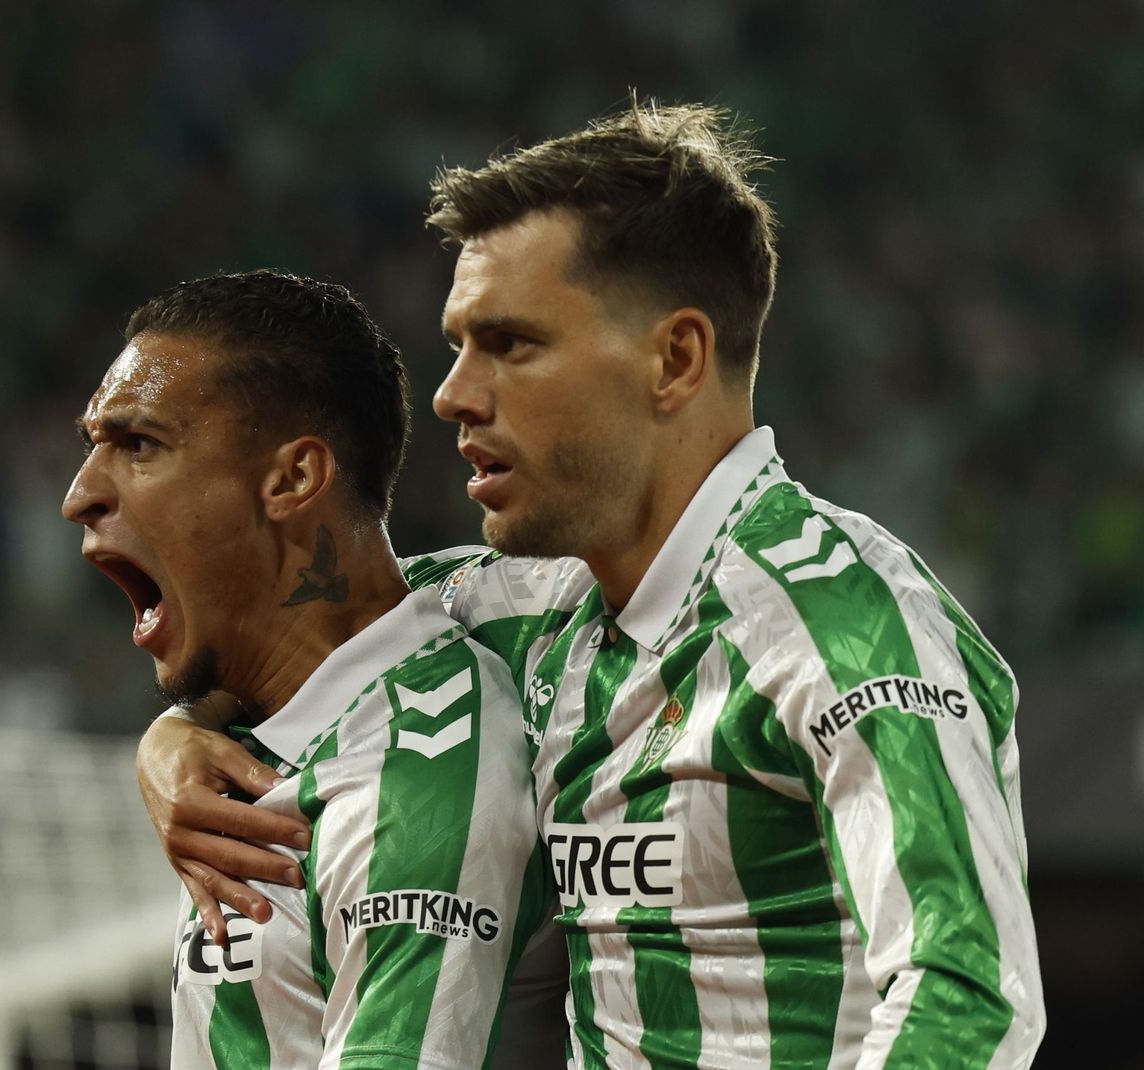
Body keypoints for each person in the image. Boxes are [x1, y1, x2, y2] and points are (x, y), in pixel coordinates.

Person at [136, 103, 1046, 1068]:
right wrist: (175, 741)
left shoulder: (842, 619)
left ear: (675, 359)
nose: (453, 393)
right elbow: (316, 641)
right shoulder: (521, 610)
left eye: (511, 343)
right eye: (457, 344)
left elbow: (968, 993)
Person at [63, 270, 557, 1069]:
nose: (80, 495)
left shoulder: (411, 786)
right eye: (94, 447)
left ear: (293, 479)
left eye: (140, 445)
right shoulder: (278, 719)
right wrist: (174, 730)